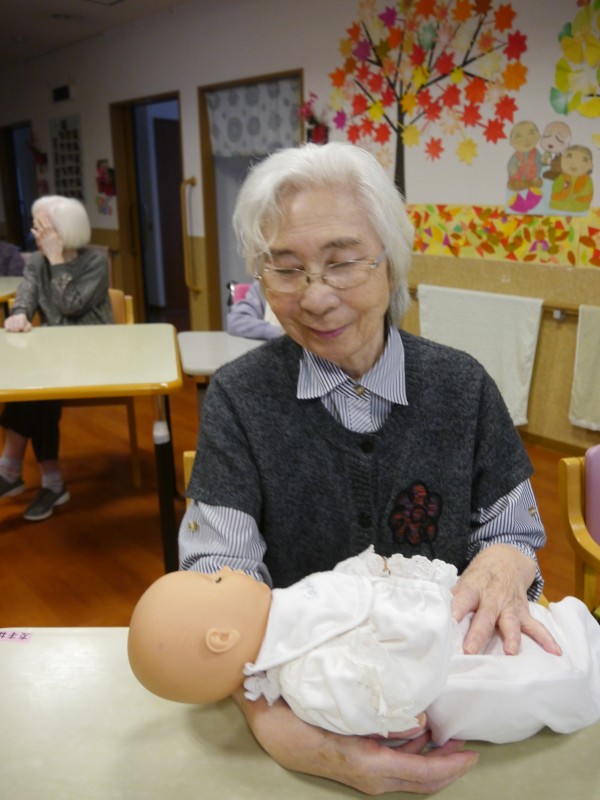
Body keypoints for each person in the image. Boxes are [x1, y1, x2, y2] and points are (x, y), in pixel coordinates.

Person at [179, 142, 561, 795]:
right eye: (286, 269)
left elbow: (515, 537)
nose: (315, 297)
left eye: (342, 262)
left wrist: (503, 566)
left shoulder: (463, 386)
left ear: (391, 263)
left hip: (454, 704)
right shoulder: (239, 398)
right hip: (304, 698)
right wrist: (271, 719)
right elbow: (217, 578)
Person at [128, 549, 600, 745]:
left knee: (552, 627)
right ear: (222, 639)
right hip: (451, 659)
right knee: (547, 669)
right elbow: (401, 710)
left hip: (453, 613)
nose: (227, 570)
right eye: (215, 580)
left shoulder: (286, 607)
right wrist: (421, 626)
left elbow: (341, 591)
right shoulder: (306, 678)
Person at [0, 195, 113, 521]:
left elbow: (70, 305)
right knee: (38, 391)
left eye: (42, 227)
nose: (35, 233)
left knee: (38, 389)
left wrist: (55, 259)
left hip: (96, 354)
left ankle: (13, 471)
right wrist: (19, 314)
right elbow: (26, 295)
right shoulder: (37, 262)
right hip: (56, 356)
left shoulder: (95, 262)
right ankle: (48, 481)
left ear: (64, 229)